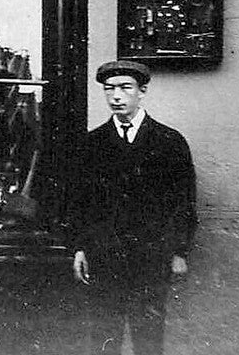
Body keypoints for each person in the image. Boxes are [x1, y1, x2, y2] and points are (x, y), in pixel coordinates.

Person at [70, 60, 197, 355]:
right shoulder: (92, 144)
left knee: (148, 335)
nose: (116, 96)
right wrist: (80, 248)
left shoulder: (169, 142)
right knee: (104, 335)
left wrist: (179, 251)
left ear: (142, 92)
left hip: (151, 257)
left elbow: (183, 201)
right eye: (109, 89)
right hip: (105, 256)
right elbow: (80, 202)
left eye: (125, 88)